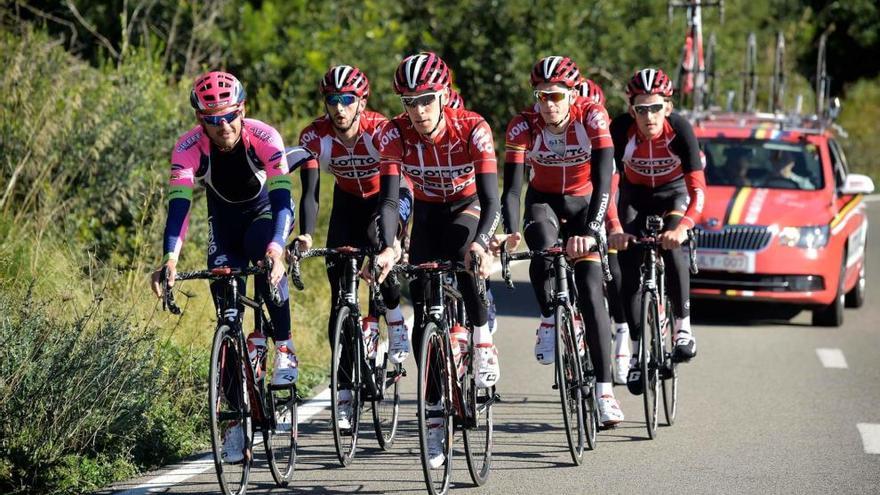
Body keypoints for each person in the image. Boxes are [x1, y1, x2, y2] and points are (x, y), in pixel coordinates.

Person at [150, 71, 296, 463]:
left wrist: (278, 248)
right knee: (227, 318)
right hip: (223, 227)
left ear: (242, 110)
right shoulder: (188, 148)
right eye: (212, 119)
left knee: (267, 268)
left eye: (229, 115)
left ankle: (284, 345)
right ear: (201, 121)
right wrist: (170, 259)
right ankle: (234, 424)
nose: (223, 126)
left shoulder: (264, 137)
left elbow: (284, 200)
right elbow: (179, 208)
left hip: (266, 218)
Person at [373, 51, 501, 468]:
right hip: (427, 212)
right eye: (410, 102)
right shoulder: (394, 134)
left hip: (467, 208)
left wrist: (483, 242)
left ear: (444, 95)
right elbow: (390, 199)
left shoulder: (473, 127)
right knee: (424, 309)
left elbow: (491, 196)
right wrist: (391, 246)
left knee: (467, 259)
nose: (419, 110)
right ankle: (432, 417)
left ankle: (482, 342)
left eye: (427, 99)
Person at [497, 55, 622, 426]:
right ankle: (550, 316)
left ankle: (604, 391)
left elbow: (604, 182)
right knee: (542, 243)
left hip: (586, 203)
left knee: (591, 287)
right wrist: (508, 228)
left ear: (571, 92)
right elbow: (512, 188)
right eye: (541, 96)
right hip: (544, 202)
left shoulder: (592, 116)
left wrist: (590, 231)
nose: (548, 104)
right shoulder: (523, 125)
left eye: (556, 96)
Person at [293, 65, 413, 430]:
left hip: (386, 199)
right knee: (339, 297)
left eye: (347, 100)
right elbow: (310, 192)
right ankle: (344, 389)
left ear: (362, 102)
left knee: (380, 244)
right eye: (333, 100)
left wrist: (394, 238)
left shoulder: (382, 130)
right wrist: (306, 234)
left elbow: (396, 190)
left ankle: (393, 316)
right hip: (346, 205)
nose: (340, 108)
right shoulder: (315, 135)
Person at [608, 68, 707, 395]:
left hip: (673, 194)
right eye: (641, 108)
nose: (648, 116)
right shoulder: (620, 130)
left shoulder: (679, 129)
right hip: (635, 198)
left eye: (655, 107)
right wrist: (615, 228)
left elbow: (698, 189)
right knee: (627, 268)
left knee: (672, 243)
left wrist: (685, 227)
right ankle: (637, 354)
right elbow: (610, 186)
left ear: (667, 105)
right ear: (630, 108)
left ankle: (683, 328)